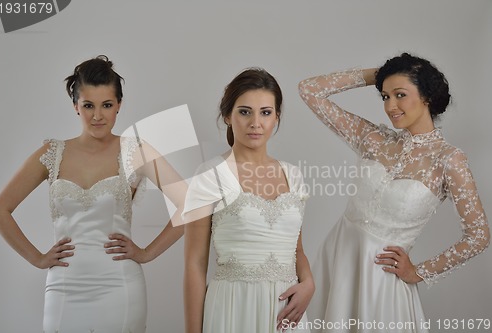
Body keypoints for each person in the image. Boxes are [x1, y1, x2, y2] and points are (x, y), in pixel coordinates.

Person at [0, 55, 186, 333]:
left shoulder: (136, 151)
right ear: (75, 107)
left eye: (107, 105)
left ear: (119, 105)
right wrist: (37, 258)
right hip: (62, 286)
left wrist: (146, 253)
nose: (97, 116)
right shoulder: (52, 153)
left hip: (120, 287)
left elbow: (191, 203)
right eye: (88, 106)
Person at [298, 53, 490, 332]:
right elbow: (309, 90)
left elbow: (479, 235)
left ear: (426, 96)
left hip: (382, 277)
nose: (391, 106)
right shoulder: (372, 139)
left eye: (400, 94)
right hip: (338, 259)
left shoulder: (448, 160)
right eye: (385, 96)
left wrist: (419, 272)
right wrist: (381, 74)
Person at [183, 68, 315, 333]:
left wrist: (309, 283)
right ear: (228, 116)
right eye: (245, 112)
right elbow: (195, 264)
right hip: (233, 308)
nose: (256, 122)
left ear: (276, 117)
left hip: (286, 312)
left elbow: (296, 250)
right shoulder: (210, 175)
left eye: (266, 112)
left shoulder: (294, 176)